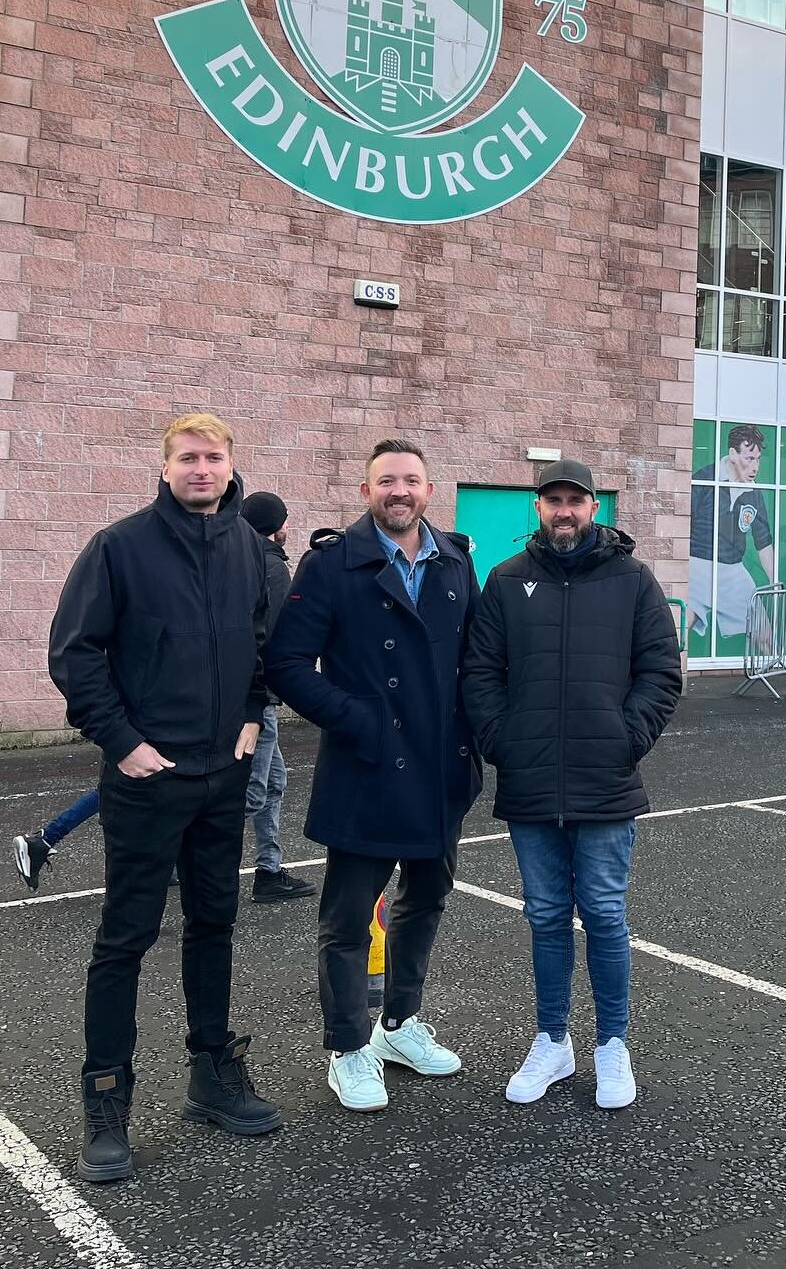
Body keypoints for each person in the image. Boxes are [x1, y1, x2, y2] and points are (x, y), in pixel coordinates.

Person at [48, 413, 281, 1185]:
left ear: (231, 464)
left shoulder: (250, 548)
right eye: (188, 458)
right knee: (126, 937)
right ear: (165, 466)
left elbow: (260, 641)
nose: (202, 469)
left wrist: (252, 712)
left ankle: (212, 1070)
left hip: (223, 776)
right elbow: (75, 654)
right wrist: (122, 743)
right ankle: (107, 1094)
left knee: (214, 922)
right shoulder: (119, 547)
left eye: (213, 457)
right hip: (146, 780)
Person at [264, 438, 481, 1114]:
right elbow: (287, 663)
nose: (399, 491)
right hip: (368, 765)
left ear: (428, 489)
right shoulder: (331, 565)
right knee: (348, 919)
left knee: (426, 901)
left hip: (441, 767)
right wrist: (357, 719)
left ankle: (400, 1024)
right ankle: (349, 1045)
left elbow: (474, 659)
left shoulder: (454, 561)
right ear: (367, 491)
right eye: (386, 480)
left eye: (410, 480)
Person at [462, 458, 682, 1111]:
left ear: (594, 509)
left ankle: (612, 1044)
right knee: (548, 916)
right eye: (553, 500)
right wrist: (502, 742)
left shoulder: (632, 580)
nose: (564, 510)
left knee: (607, 916)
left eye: (575, 501)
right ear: (538, 507)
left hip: (604, 779)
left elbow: (661, 673)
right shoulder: (505, 581)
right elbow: (480, 672)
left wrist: (626, 738)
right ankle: (552, 1040)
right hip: (531, 782)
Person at [238, 490, 314, 904]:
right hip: (258, 699)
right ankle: (188, 861)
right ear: (275, 527)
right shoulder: (272, 569)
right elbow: (275, 637)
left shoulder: (238, 560)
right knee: (253, 789)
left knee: (273, 783)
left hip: (254, 695)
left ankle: (268, 869)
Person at [687, 423, 776, 647]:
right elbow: (681, 525)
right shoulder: (704, 480)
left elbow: (763, 543)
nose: (755, 466)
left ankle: (777, 678)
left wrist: (776, 582)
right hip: (698, 566)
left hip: (733, 570)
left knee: (764, 635)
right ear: (733, 454)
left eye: (758, 459)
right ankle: (668, 678)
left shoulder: (754, 493)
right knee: (679, 631)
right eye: (749, 458)